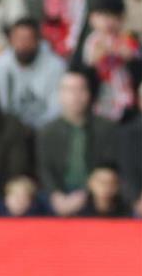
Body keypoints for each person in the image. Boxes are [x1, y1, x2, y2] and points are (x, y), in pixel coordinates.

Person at [36, 70, 119, 216]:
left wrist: (88, 192)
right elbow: (45, 169)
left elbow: (109, 165)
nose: (75, 96)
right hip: (58, 193)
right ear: (60, 95)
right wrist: (57, 196)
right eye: (69, 90)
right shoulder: (47, 131)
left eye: (81, 89)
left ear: (88, 94)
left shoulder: (106, 128)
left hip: (95, 192)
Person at [0, 19, 67, 129]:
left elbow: (57, 109)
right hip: (6, 131)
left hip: (44, 129)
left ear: (38, 41)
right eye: (19, 39)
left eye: (28, 39)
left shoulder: (56, 66)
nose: (23, 44)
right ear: (11, 40)